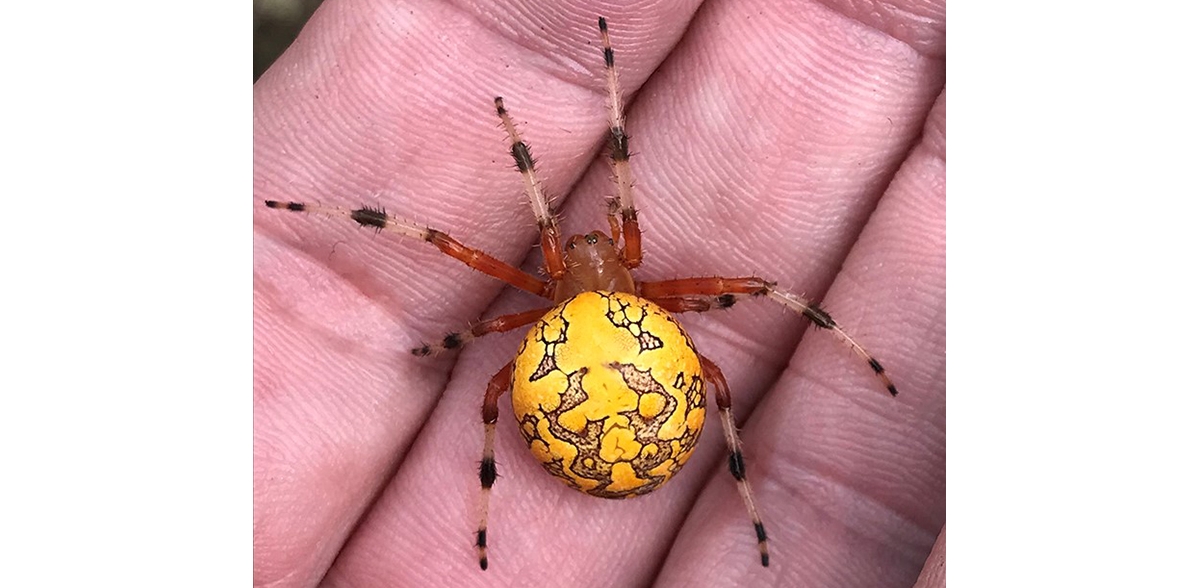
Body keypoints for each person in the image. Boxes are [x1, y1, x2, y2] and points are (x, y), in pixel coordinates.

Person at [254, 1, 946, 585]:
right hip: (627, 402)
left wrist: (522, 147)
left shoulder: (542, 292)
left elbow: (473, 241)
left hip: (585, 406)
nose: (594, 247)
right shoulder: (631, 278)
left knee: (491, 383)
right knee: (725, 361)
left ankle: (493, 515)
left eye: (601, 246)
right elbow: (640, 200)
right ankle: (747, 500)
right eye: (601, 247)